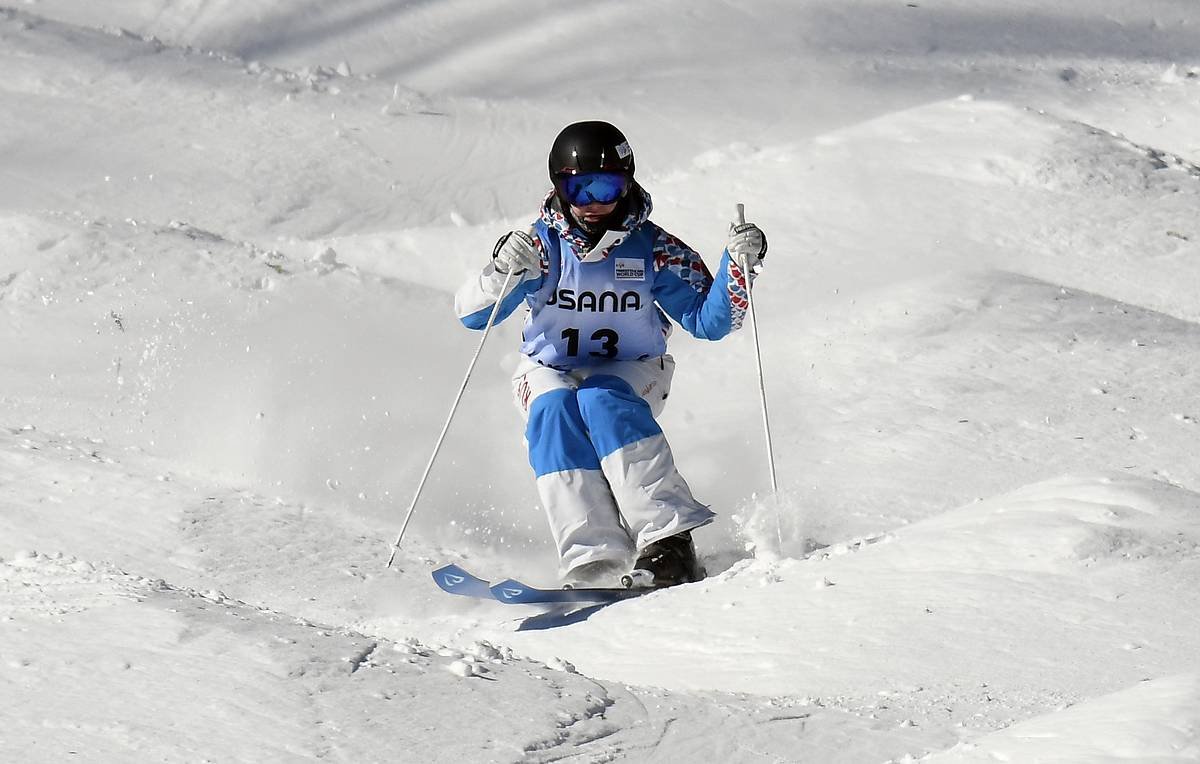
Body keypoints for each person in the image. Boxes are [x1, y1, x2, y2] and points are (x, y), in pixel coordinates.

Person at [455, 120, 767, 588]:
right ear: (560, 187)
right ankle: (593, 554)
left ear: (629, 183)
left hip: (636, 367)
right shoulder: (539, 247)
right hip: (549, 366)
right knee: (554, 409)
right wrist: (501, 270)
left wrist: (738, 268)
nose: (595, 202)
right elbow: (473, 317)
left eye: (609, 186)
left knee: (601, 399)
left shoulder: (654, 248)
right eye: (581, 189)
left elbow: (711, 321)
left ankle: (669, 540)